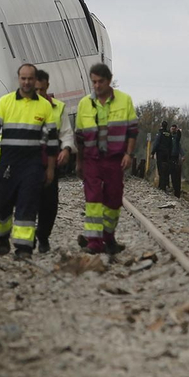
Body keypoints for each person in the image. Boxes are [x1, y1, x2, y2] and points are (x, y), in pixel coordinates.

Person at [0, 63, 58, 260]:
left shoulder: (44, 106)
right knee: (2, 206)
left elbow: (51, 142)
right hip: (8, 162)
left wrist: (50, 169)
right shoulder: (5, 102)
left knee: (28, 204)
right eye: (23, 78)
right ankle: (2, 236)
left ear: (35, 80)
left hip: (31, 164)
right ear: (19, 79)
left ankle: (24, 248)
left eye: (30, 79)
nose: (26, 82)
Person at [74, 62, 138, 256]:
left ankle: (108, 236)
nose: (96, 86)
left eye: (100, 82)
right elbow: (79, 136)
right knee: (93, 200)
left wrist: (128, 154)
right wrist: (79, 162)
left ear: (109, 81)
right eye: (93, 82)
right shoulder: (85, 103)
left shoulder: (124, 101)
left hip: (114, 159)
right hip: (92, 158)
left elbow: (132, 131)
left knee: (113, 200)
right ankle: (94, 241)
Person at [34, 68, 74, 253]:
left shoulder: (58, 107)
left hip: (50, 163)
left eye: (42, 90)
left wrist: (66, 149)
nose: (39, 94)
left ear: (47, 87)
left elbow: (66, 133)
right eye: (35, 90)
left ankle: (42, 236)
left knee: (49, 203)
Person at [154, 121, 181, 196]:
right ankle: (164, 186)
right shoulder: (168, 135)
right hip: (168, 155)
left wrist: (152, 152)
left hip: (164, 155)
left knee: (163, 171)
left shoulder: (161, 134)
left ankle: (163, 186)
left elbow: (156, 143)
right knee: (165, 171)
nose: (173, 130)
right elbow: (171, 145)